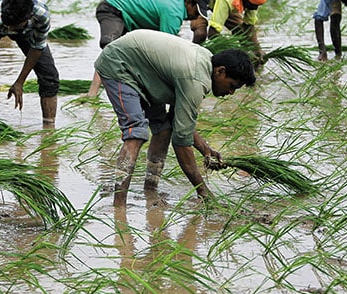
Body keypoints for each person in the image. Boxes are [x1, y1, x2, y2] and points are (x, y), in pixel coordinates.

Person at [94, 29, 256, 207]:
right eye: (232, 86)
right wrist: (202, 190)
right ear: (221, 71)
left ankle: (150, 190)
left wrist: (206, 150)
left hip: (145, 71)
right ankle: (119, 205)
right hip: (119, 64)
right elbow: (181, 143)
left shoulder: (205, 63)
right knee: (136, 133)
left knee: (164, 129)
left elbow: (181, 123)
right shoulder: (196, 79)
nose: (230, 93)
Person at [89, 0, 212, 96]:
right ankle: (93, 93)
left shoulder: (176, 1)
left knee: (127, 55)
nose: (196, 16)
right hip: (113, 9)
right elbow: (166, 49)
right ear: (189, 3)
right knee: (110, 50)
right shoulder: (174, 12)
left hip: (130, 18)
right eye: (197, 11)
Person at [0, 0, 59, 125]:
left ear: (29, 17)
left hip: (26, 29)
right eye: (8, 26)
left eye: (13, 27)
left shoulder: (41, 16)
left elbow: (37, 48)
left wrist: (20, 82)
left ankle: (49, 129)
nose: (9, 31)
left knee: (49, 75)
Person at [196, 0, 270, 60]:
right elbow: (212, 33)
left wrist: (257, 49)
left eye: (257, 5)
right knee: (200, 33)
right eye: (252, 5)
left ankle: (250, 60)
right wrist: (234, 52)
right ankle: (196, 58)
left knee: (240, 31)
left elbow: (249, 26)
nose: (254, 8)